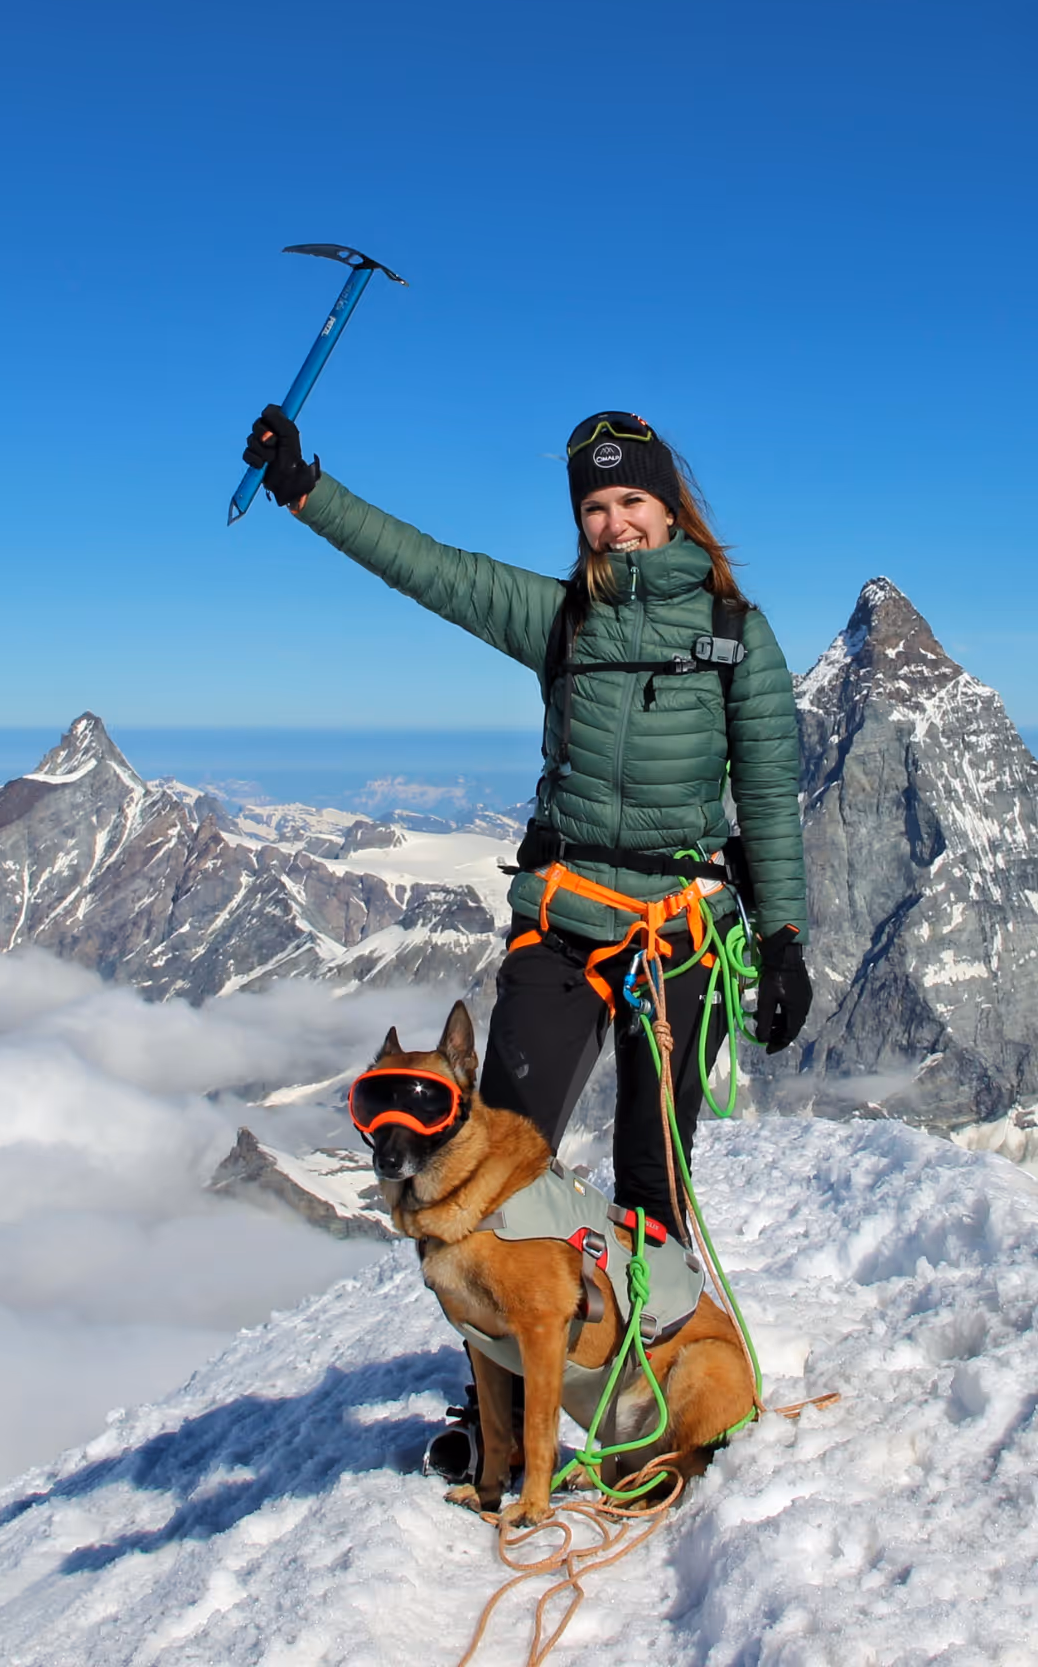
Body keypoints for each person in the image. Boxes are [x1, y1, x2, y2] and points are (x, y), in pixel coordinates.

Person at [243, 404, 811, 1471]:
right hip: (561, 924)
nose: (615, 523)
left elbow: (770, 798)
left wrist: (782, 939)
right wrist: (309, 492)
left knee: (653, 1180)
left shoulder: (738, 637)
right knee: (494, 1174)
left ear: (670, 508)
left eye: (632, 500)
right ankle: (495, 1415)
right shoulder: (562, 620)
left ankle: (648, 1386)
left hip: (680, 937)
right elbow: (434, 571)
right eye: (595, 507)